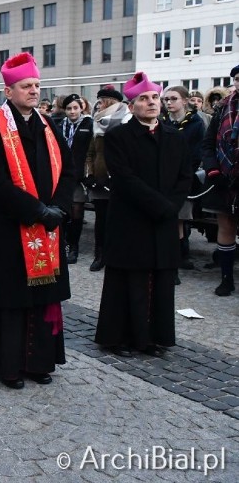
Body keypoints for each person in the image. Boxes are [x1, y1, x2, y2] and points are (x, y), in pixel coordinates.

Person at [0, 52, 75, 390]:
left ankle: (39, 362)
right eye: (26, 86)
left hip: (48, 226)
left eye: (36, 85)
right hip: (9, 229)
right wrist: (36, 211)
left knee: (42, 296)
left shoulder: (50, 127)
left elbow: (68, 171)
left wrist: (57, 208)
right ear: (8, 91)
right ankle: (10, 366)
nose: (34, 91)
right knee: (13, 299)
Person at [95, 72, 192, 357]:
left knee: (160, 281)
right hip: (131, 220)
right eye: (144, 99)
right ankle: (120, 338)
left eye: (154, 98)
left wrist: (171, 206)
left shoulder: (174, 136)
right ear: (131, 104)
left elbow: (185, 176)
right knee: (129, 280)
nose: (151, 103)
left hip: (163, 220)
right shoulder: (118, 137)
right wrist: (161, 206)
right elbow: (124, 178)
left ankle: (153, 337)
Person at [200, 65, 239, 296]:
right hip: (225, 179)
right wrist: (213, 171)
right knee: (226, 227)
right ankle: (226, 279)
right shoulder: (223, 108)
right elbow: (207, 144)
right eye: (236, 79)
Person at [84, 84, 129, 271]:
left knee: (119, 221)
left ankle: (117, 255)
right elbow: (91, 153)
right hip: (99, 181)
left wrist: (115, 176)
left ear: (109, 103)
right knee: (100, 220)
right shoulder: (97, 122)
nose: (98, 105)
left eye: (101, 102)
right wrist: (90, 174)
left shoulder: (126, 121)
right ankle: (100, 254)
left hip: (118, 182)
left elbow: (127, 155)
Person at [160, 86, 204, 275]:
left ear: (185, 101)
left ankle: (180, 257)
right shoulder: (162, 122)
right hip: (163, 177)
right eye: (166, 99)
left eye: (173, 99)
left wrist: (182, 175)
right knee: (168, 220)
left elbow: (195, 153)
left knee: (179, 219)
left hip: (183, 177)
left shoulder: (195, 123)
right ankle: (171, 259)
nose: (168, 103)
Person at [56, 94, 94, 264]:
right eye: (69, 108)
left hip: (78, 176)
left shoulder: (88, 124)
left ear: (81, 108)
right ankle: (62, 244)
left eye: (75, 108)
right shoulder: (59, 125)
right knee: (63, 211)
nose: (72, 112)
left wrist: (87, 173)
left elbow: (90, 151)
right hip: (61, 174)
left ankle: (74, 246)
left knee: (77, 212)